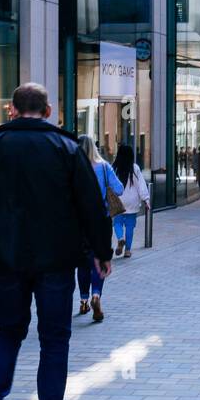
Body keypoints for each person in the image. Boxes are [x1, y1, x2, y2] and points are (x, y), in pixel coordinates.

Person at [0, 83, 113, 400]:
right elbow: (92, 207)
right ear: (48, 111)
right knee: (55, 340)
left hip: (8, 261)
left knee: (8, 332)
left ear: (12, 110)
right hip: (56, 261)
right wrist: (101, 251)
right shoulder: (67, 148)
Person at [75, 135, 122, 320]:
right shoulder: (103, 167)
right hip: (101, 220)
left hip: (79, 221)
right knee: (99, 259)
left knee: (83, 263)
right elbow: (118, 189)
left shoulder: (74, 168)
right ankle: (96, 295)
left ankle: (84, 301)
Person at [111, 143, 151, 258]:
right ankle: (127, 250)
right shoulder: (135, 168)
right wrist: (146, 199)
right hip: (132, 202)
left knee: (117, 223)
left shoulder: (114, 167)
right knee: (130, 226)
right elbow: (141, 185)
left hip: (118, 200)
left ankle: (120, 238)